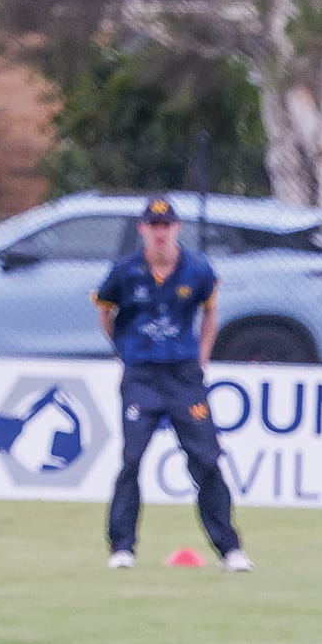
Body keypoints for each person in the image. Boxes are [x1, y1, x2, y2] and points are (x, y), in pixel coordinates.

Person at [95, 196, 251, 571]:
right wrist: (123, 350)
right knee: (131, 459)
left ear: (176, 229)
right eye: (154, 226)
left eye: (167, 226)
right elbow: (105, 309)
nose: (160, 233)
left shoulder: (197, 270)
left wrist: (203, 356)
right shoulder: (125, 271)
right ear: (143, 229)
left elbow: (210, 313)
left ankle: (230, 548)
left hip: (183, 377)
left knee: (206, 459)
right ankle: (122, 547)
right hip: (142, 375)